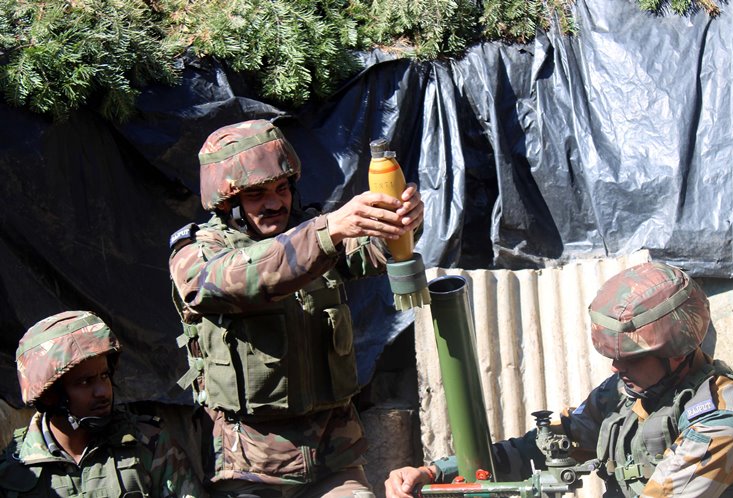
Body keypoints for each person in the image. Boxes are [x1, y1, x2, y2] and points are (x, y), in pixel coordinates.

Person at [386, 262, 733, 498]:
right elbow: (542, 447)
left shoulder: (721, 419)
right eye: (613, 357)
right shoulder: (628, 394)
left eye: (631, 358)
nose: (616, 368)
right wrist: (435, 472)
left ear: (676, 351)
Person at [169, 119, 423, 497]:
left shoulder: (310, 233)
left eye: (282, 188)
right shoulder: (197, 254)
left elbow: (369, 252)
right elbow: (243, 276)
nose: (275, 203)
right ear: (227, 201)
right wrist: (328, 231)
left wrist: (398, 224)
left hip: (332, 460)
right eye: (257, 194)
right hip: (248, 470)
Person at [0, 310, 205, 497]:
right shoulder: (14, 469)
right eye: (85, 382)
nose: (103, 391)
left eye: (104, 376)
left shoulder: (147, 442)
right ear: (49, 395)